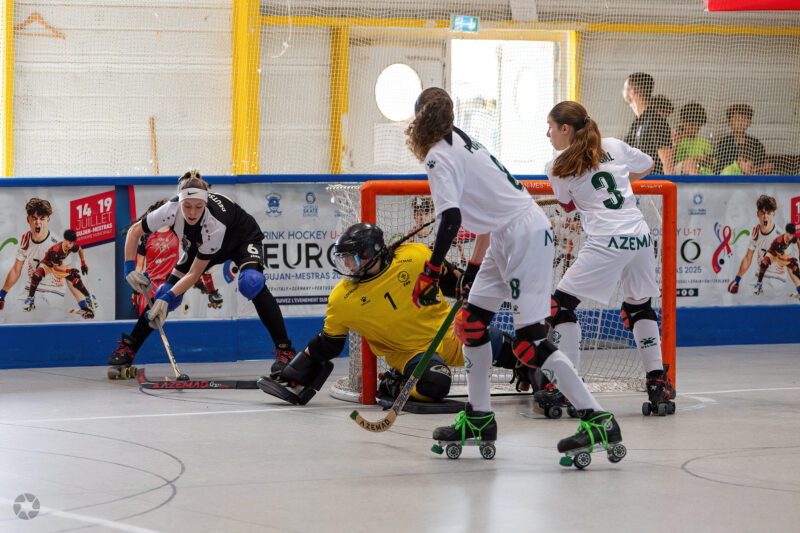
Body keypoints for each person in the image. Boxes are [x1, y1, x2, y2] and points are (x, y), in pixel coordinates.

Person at [404, 87, 623, 463]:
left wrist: (431, 270)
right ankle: (479, 418)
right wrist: (473, 269)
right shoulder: (462, 140)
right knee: (472, 324)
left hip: (524, 236)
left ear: (418, 122)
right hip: (505, 235)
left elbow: (451, 218)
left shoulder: (439, 156)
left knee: (530, 342)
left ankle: (598, 419)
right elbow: (486, 214)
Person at [257, 222, 519, 407]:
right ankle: (394, 383)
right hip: (410, 352)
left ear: (371, 253)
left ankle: (533, 376)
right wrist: (296, 369)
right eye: (343, 259)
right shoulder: (342, 298)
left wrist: (471, 283)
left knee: (515, 350)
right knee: (435, 384)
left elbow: (455, 283)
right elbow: (329, 343)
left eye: (352, 258)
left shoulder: (416, 257)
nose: (347, 265)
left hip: (449, 335)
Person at [545, 100, 676, 418]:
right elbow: (647, 165)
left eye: (551, 127)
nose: (548, 134)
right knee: (639, 307)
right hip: (640, 237)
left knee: (560, 307)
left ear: (566, 129)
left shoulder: (556, 166)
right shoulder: (614, 145)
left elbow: (567, 206)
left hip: (607, 240)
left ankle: (569, 386)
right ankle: (657, 384)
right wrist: (621, 184)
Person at [109, 170, 295, 377]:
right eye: (187, 206)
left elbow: (194, 274)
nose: (192, 212)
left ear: (205, 203)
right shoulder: (170, 210)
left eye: (198, 206)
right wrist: (129, 269)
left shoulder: (214, 224)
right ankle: (129, 348)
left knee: (251, 282)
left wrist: (168, 298)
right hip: (202, 245)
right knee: (163, 291)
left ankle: (285, 350)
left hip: (242, 239)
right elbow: (135, 231)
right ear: (179, 202)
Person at [129, 199, 222, 316]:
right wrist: (136, 291)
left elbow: (191, 257)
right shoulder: (146, 237)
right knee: (150, 324)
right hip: (154, 288)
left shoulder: (179, 232)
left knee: (172, 323)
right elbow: (139, 267)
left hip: (174, 286)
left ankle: (205, 289)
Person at [0, 198, 89, 317]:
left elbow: (69, 277)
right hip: (31, 289)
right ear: (28, 219)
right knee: (16, 315)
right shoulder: (25, 239)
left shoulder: (58, 245)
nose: (38, 222)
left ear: (48, 220)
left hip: (52, 289)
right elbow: (16, 270)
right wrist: (2, 295)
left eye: (42, 219)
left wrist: (83, 304)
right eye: (34, 218)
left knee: (35, 313)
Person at [728, 196, 792, 296]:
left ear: (773, 214)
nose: (765, 216)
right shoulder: (755, 233)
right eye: (763, 213)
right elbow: (748, 258)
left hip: (776, 283)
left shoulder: (781, 236)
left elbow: (790, 263)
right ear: (758, 214)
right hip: (759, 280)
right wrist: (737, 280)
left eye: (768, 213)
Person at [24, 229, 95, 318]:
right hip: (47, 265)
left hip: (58, 265)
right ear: (64, 240)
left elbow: (79, 249)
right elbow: (56, 268)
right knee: (36, 276)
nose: (70, 245)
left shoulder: (71, 245)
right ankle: (30, 298)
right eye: (69, 243)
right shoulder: (56, 250)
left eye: (72, 243)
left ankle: (88, 298)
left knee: (76, 280)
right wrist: (69, 271)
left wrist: (83, 263)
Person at [622, 73, 672, 175]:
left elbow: (668, 162)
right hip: (637, 182)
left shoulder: (655, 121)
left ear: (632, 92)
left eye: (625, 88)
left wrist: (669, 184)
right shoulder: (636, 124)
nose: (623, 91)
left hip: (653, 182)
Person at [714, 104, 768, 174]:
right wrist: (740, 167)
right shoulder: (724, 143)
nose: (740, 122)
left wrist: (752, 169)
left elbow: (762, 165)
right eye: (736, 119)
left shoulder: (756, 144)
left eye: (744, 119)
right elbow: (720, 167)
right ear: (729, 122)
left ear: (749, 123)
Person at [753, 223, 800, 299]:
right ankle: (759, 284)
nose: (790, 237)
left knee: (795, 268)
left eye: (792, 235)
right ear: (786, 232)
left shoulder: (792, 237)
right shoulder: (779, 241)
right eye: (789, 235)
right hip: (773, 253)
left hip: (781, 254)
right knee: (764, 264)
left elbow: (798, 240)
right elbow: (780, 257)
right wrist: (789, 259)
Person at [672, 102, 714, 175]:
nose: (694, 129)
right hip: (682, 175)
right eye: (691, 125)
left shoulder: (704, 142)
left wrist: (706, 160)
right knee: (690, 163)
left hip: (705, 175)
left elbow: (713, 163)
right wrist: (696, 159)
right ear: (682, 121)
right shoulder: (676, 139)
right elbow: (670, 162)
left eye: (698, 126)